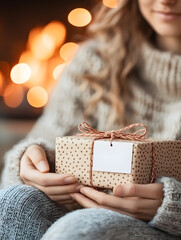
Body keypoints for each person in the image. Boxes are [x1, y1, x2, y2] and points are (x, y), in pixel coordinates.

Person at [0, 0, 181, 239]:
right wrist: (27, 166)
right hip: (77, 205)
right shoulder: (95, 61)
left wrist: (175, 207)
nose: (165, 1)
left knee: (79, 230)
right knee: (14, 203)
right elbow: (39, 146)